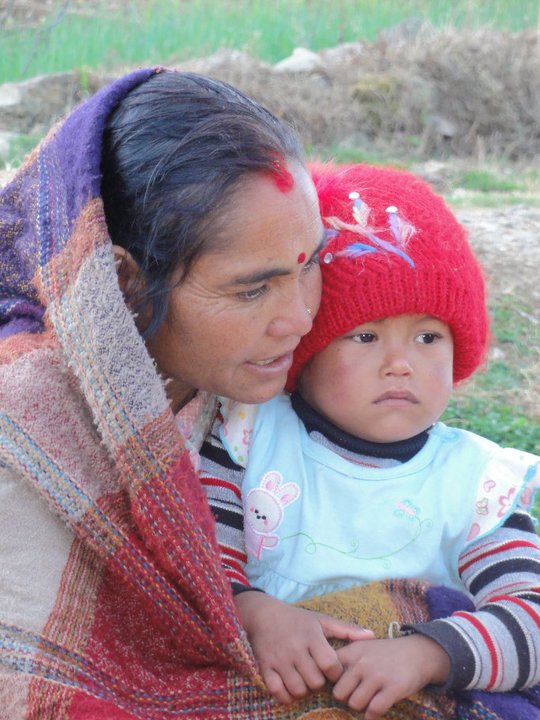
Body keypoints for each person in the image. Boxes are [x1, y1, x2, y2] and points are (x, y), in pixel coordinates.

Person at [0, 67, 381, 720]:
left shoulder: (245, 382)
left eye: (311, 262)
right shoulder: (26, 432)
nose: (300, 317)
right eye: (251, 289)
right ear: (120, 283)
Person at [200, 162, 540, 719]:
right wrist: (253, 611)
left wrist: (429, 653)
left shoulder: (478, 486)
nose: (401, 364)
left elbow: (531, 618)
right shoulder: (249, 437)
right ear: (304, 351)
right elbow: (198, 562)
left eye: (429, 336)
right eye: (365, 335)